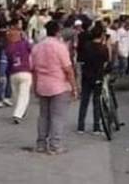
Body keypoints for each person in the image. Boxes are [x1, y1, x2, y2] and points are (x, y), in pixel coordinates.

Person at [32, 20, 78, 154]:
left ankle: (41, 144)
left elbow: (34, 70)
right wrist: (74, 87)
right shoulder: (60, 47)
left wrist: (35, 87)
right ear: (58, 31)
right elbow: (68, 69)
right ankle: (55, 145)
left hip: (42, 84)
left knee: (43, 116)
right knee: (57, 117)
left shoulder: (37, 47)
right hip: (59, 85)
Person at [77, 24, 109, 134]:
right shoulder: (103, 48)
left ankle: (80, 126)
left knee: (84, 102)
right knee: (97, 102)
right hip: (98, 77)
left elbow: (81, 60)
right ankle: (96, 127)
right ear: (102, 35)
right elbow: (106, 63)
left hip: (86, 76)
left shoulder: (86, 46)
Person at [6, 23, 33, 124]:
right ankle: (18, 114)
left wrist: (7, 73)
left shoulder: (8, 48)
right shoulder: (25, 43)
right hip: (25, 71)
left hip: (13, 72)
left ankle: (21, 111)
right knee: (24, 95)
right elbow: (32, 51)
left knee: (16, 95)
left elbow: (8, 62)